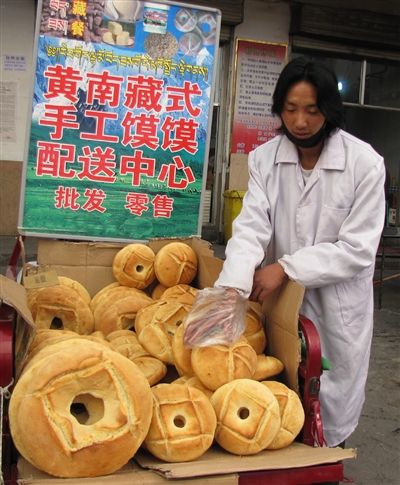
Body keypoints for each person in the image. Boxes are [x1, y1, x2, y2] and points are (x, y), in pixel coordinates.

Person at [212, 57, 386, 448]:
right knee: (281, 396)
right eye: (290, 109)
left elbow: (357, 249)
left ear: (329, 109)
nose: (300, 122)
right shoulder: (265, 159)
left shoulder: (364, 164)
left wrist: (287, 267)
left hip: (336, 307)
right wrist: (233, 285)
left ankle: (328, 461)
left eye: (311, 110)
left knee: (329, 403)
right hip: (282, 304)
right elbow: (252, 226)